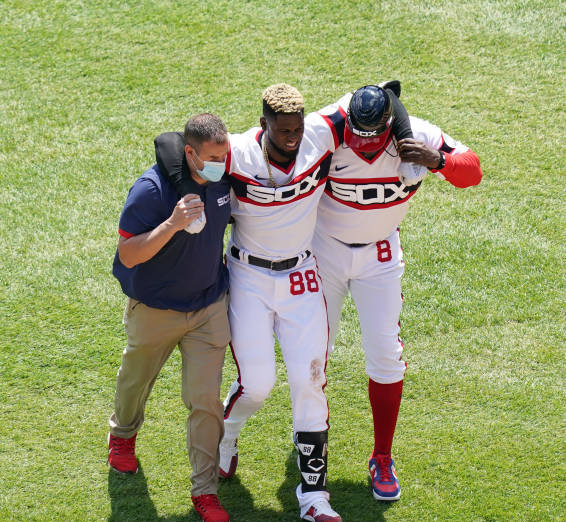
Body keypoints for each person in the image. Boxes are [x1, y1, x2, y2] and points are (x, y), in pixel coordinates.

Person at [154, 83, 414, 522]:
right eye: (282, 131)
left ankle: (314, 498)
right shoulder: (237, 151)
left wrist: (405, 145)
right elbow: (170, 143)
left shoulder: (320, 131)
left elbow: (386, 92)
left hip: (301, 275)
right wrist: (187, 192)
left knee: (311, 381)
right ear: (263, 125)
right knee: (257, 384)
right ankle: (228, 436)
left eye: (297, 129)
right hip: (249, 276)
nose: (292, 139)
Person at [313, 84, 482, 502]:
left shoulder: (418, 135)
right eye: (358, 133)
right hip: (324, 250)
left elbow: (473, 170)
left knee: (386, 353)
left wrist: (438, 161)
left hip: (381, 253)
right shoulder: (325, 128)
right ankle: (313, 440)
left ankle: (383, 456)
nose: (365, 143)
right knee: (314, 352)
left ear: (389, 124)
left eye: (373, 135)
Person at [108, 113, 232, 522]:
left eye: (225, 153)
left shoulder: (223, 179)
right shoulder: (150, 190)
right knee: (135, 379)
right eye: (213, 156)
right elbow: (128, 254)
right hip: (155, 310)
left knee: (205, 400)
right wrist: (173, 224)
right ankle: (123, 436)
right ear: (191, 153)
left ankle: (205, 491)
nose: (221, 162)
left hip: (207, 308)